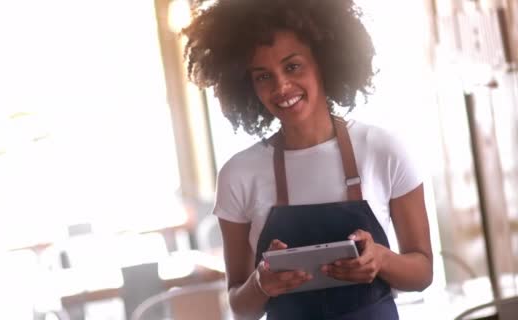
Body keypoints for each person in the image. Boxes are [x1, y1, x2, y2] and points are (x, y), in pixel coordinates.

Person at [181, 0, 433, 319]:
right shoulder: (238, 174)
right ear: (248, 86)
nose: (281, 86)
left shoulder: (384, 150)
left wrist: (381, 259)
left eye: (292, 66)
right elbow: (241, 306)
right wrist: (261, 284)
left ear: (323, 62)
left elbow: (422, 273)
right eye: (263, 76)